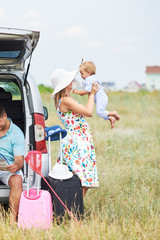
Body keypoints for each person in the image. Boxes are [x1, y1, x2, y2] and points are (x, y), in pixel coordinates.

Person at [51, 69, 99, 199]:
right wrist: (92, 94)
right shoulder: (66, 100)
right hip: (77, 141)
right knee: (81, 179)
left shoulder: (64, 100)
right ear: (65, 84)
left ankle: (74, 208)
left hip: (78, 139)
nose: (72, 82)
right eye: (69, 80)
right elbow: (88, 112)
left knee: (82, 179)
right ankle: (75, 209)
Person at [73, 61, 120, 129]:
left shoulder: (90, 79)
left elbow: (86, 91)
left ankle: (113, 113)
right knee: (101, 112)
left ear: (88, 72)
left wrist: (78, 92)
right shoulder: (91, 79)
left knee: (99, 112)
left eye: (82, 73)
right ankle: (111, 118)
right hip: (102, 98)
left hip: (102, 98)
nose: (81, 76)